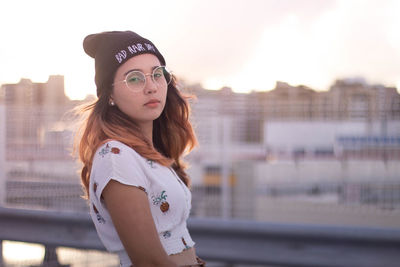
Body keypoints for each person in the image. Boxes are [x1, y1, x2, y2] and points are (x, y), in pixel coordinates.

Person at [75, 31, 205, 267]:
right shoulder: (115, 156)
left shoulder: (147, 153)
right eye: (134, 78)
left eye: (158, 75)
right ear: (110, 94)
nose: (151, 87)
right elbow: (150, 262)